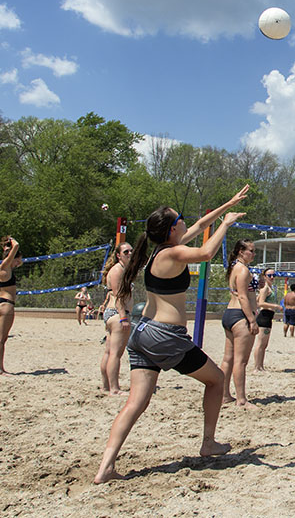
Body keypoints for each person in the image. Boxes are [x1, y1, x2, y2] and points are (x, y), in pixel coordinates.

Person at [93, 186, 247, 484]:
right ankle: (208, 442)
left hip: (143, 334)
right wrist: (227, 225)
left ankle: (106, 468)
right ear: (173, 228)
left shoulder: (160, 252)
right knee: (216, 380)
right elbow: (205, 252)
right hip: (165, 335)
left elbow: (202, 226)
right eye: (181, 219)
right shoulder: (173, 253)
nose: (186, 222)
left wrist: (227, 204)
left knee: (135, 403)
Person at [220, 240, 261, 408]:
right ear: (241, 251)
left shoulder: (234, 268)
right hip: (240, 315)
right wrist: (252, 320)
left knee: (228, 359)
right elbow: (243, 297)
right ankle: (241, 399)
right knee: (240, 361)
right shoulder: (243, 270)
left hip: (229, 313)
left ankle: (224, 395)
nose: (253, 253)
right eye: (250, 250)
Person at [99, 242, 133, 395]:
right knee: (115, 354)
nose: (130, 254)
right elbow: (118, 297)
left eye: (131, 251)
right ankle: (114, 388)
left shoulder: (121, 270)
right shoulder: (117, 270)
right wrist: (123, 317)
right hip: (117, 313)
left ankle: (106, 386)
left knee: (108, 352)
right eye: (126, 252)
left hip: (112, 313)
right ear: (118, 255)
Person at [0, 236, 23, 375]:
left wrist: (6, 248)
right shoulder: (6, 266)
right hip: (6, 304)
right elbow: (17, 246)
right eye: (17, 259)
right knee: (1, 339)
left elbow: (17, 262)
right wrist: (12, 240)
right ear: (11, 257)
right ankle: (1, 369)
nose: (19, 262)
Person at [251, 269, 282, 371]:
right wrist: (275, 305)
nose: (272, 277)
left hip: (268, 316)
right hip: (264, 316)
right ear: (265, 276)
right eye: (270, 275)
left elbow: (256, 300)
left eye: (274, 275)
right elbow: (261, 303)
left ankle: (260, 366)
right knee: (260, 343)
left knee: (264, 344)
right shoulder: (265, 288)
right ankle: (257, 367)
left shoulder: (269, 288)